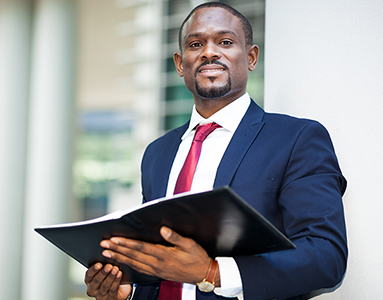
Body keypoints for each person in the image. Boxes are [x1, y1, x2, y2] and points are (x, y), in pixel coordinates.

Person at [84, 2, 347, 300]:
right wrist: (128, 292)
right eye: (196, 44)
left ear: (250, 57)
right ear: (181, 64)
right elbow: (163, 264)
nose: (209, 52)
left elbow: (326, 257)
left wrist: (211, 272)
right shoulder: (157, 153)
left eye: (225, 42)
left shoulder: (296, 139)